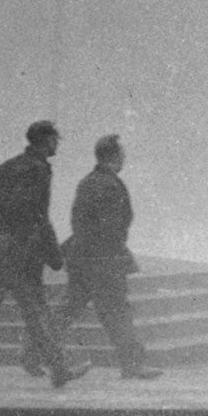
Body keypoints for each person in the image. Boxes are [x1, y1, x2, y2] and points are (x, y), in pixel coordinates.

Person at [0, 120, 89, 389]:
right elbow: (38, 216)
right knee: (37, 311)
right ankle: (59, 368)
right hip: (22, 253)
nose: (57, 143)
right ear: (45, 141)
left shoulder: (7, 167)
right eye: (55, 139)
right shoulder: (38, 170)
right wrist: (54, 254)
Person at [49, 135, 162, 380]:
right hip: (104, 261)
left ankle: (33, 352)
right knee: (118, 313)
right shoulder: (111, 185)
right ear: (114, 157)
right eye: (122, 155)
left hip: (81, 258)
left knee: (68, 309)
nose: (124, 159)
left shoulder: (87, 182)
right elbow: (114, 226)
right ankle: (132, 365)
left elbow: (80, 221)